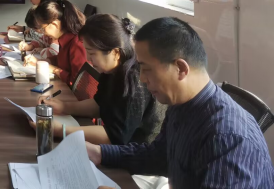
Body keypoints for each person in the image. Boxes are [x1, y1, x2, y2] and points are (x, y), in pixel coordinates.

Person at [87, 17, 274, 189]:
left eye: (147, 69)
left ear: (181, 68)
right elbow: (159, 156)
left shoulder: (227, 138)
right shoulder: (180, 104)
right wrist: (100, 153)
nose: (142, 78)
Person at [33, 14, 165, 145]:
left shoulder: (135, 81)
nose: (88, 59)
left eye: (92, 53)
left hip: (136, 151)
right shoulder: (110, 70)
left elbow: (115, 138)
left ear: (115, 53)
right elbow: (99, 104)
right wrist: (64, 107)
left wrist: (60, 130)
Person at [23, 0, 87, 86]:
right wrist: (41, 62)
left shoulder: (77, 43)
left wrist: (54, 70)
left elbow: (78, 83)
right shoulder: (64, 39)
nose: (44, 33)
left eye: (43, 28)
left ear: (54, 25)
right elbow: (62, 60)